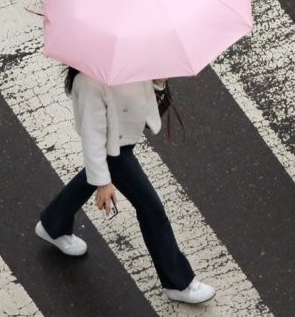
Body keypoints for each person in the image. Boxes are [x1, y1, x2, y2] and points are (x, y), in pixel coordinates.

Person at [35, 68, 214, 304]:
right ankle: (177, 282)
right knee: (152, 210)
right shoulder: (89, 83)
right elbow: (92, 138)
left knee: (88, 180)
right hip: (113, 152)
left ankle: (53, 224)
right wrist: (103, 182)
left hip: (122, 144)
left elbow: (146, 113)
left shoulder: (127, 63)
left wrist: (158, 85)